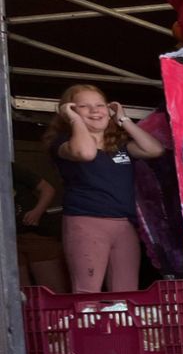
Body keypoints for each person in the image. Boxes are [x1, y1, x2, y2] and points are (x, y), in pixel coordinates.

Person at [44, 84, 164, 293]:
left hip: (124, 224)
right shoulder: (63, 143)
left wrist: (123, 119)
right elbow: (86, 153)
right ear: (70, 110)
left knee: (126, 291)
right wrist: (74, 121)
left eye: (100, 105)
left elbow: (155, 150)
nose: (94, 110)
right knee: (87, 291)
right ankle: (87, 319)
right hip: (87, 221)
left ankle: (119, 319)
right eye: (84, 106)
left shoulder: (118, 145)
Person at [12, 162, 69, 292]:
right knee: (19, 292)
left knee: (51, 289)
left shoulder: (10, 168)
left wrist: (37, 212)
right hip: (8, 241)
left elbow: (47, 189)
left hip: (36, 233)